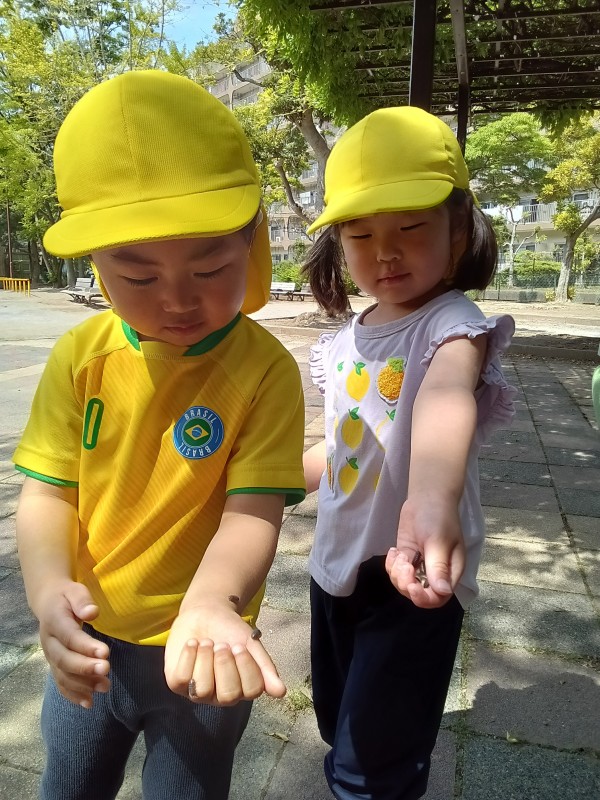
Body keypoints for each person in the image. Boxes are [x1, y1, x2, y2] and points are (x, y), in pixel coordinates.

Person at [13, 70, 306, 800]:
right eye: (137, 278)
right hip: (92, 643)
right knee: (68, 784)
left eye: (210, 267)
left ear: (252, 241)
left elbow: (253, 510)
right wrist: (47, 594)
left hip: (205, 646)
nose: (176, 299)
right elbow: (47, 493)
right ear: (94, 263)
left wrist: (212, 601)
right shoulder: (80, 358)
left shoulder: (265, 371)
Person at [301, 106, 516, 800]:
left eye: (411, 229)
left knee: (371, 766)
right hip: (337, 565)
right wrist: (261, 482)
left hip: (413, 566)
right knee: (338, 720)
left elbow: (445, 398)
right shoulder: (343, 341)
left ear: (459, 231)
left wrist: (429, 499)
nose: (385, 252)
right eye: (361, 235)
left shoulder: (454, 325)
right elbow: (345, 448)